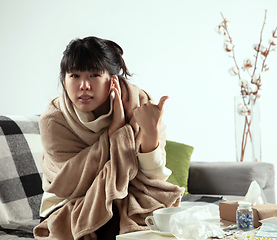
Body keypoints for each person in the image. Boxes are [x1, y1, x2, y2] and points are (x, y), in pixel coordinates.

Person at [33, 36, 184, 240]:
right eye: (75, 75)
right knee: (109, 215)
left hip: (129, 193)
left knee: (157, 215)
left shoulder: (138, 103)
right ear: (64, 80)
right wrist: (115, 133)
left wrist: (150, 134)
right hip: (70, 201)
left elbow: (155, 177)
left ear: (113, 79)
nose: (84, 85)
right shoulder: (54, 119)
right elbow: (71, 184)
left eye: (94, 74)